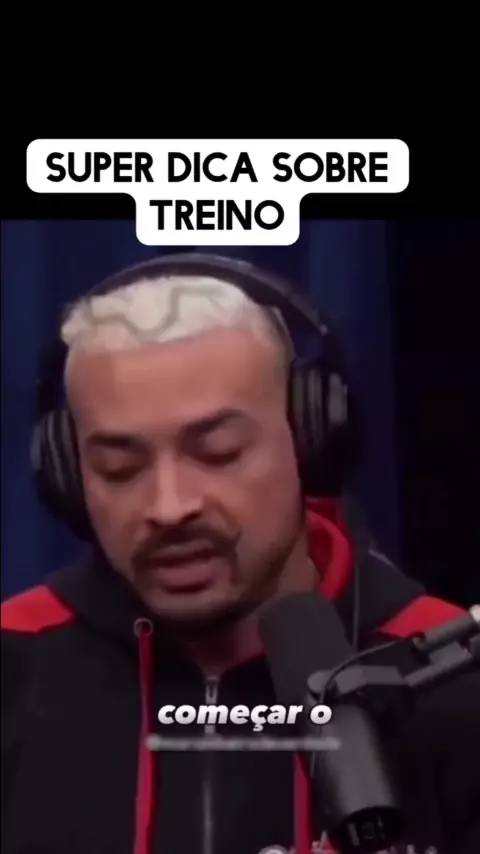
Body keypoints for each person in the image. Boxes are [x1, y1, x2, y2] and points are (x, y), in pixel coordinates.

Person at [2, 254, 479, 854]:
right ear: (69, 477)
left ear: (309, 441)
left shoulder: (450, 680)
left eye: (220, 452)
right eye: (119, 468)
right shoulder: (13, 661)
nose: (169, 507)